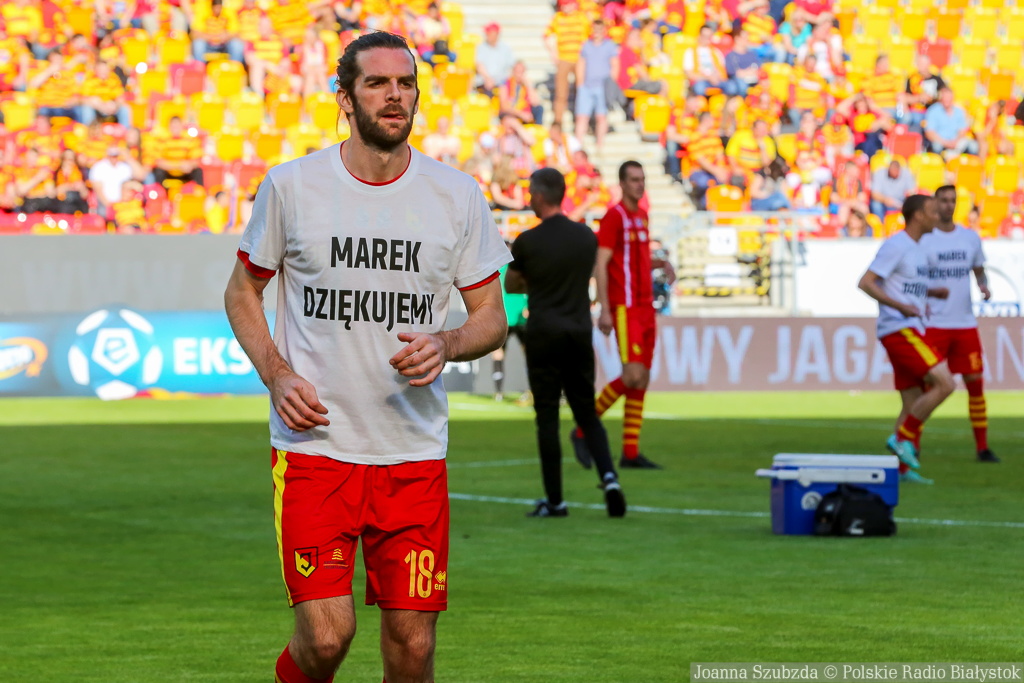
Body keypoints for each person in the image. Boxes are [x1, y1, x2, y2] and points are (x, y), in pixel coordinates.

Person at [223, 32, 510, 683]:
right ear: (345, 97)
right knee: (327, 638)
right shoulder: (292, 186)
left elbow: (491, 317)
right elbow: (242, 291)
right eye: (377, 83)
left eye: (405, 83)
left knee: (413, 646)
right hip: (315, 450)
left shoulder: (457, 194)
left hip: (413, 454)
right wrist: (277, 373)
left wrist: (448, 342)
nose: (395, 95)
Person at [505, 167, 627, 518]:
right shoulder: (585, 237)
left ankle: (556, 501)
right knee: (586, 412)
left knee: (547, 418)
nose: (529, 197)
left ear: (542, 195)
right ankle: (610, 479)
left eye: (531, 192)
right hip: (578, 330)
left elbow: (512, 285)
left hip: (544, 332)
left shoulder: (528, 241)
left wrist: (537, 282)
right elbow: (590, 273)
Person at [857, 194, 956, 484]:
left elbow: (906, 286)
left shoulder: (917, 248)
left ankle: (899, 471)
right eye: (933, 211)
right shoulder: (896, 245)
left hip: (911, 325)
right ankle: (902, 440)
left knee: (911, 400)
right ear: (918, 216)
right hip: (900, 329)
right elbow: (866, 282)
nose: (938, 216)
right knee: (945, 384)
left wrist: (930, 293)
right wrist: (899, 307)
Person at [574, 161, 662, 469]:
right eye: (634, 179)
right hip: (625, 307)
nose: (640, 184)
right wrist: (605, 308)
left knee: (642, 378)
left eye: (642, 179)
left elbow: (636, 259)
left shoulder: (642, 215)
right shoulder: (614, 216)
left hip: (646, 306)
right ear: (622, 184)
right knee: (632, 375)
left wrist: (660, 264)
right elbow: (602, 263)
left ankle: (631, 453)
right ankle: (582, 429)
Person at [921, 186, 999, 463]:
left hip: (965, 323)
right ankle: (912, 444)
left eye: (952, 200)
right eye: (943, 200)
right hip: (934, 323)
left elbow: (978, 270)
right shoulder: (925, 239)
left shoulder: (969, 238)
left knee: (975, 383)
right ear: (934, 204)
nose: (948, 205)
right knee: (927, 387)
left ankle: (982, 447)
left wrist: (983, 286)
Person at [574, 20, 618, 156]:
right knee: (582, 117)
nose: (597, 32)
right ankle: (578, 146)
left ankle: (600, 145)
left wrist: (611, 86)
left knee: (601, 116)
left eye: (599, 29)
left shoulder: (610, 46)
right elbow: (581, 64)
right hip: (587, 86)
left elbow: (615, 65)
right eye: (595, 29)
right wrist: (580, 83)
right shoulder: (586, 46)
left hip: (602, 87)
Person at [475, 22, 515, 95]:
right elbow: (479, 65)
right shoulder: (481, 47)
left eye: (489, 33)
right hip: (484, 82)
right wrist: (488, 78)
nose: (487, 35)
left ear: (496, 34)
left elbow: (511, 66)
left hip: (501, 82)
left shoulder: (505, 48)